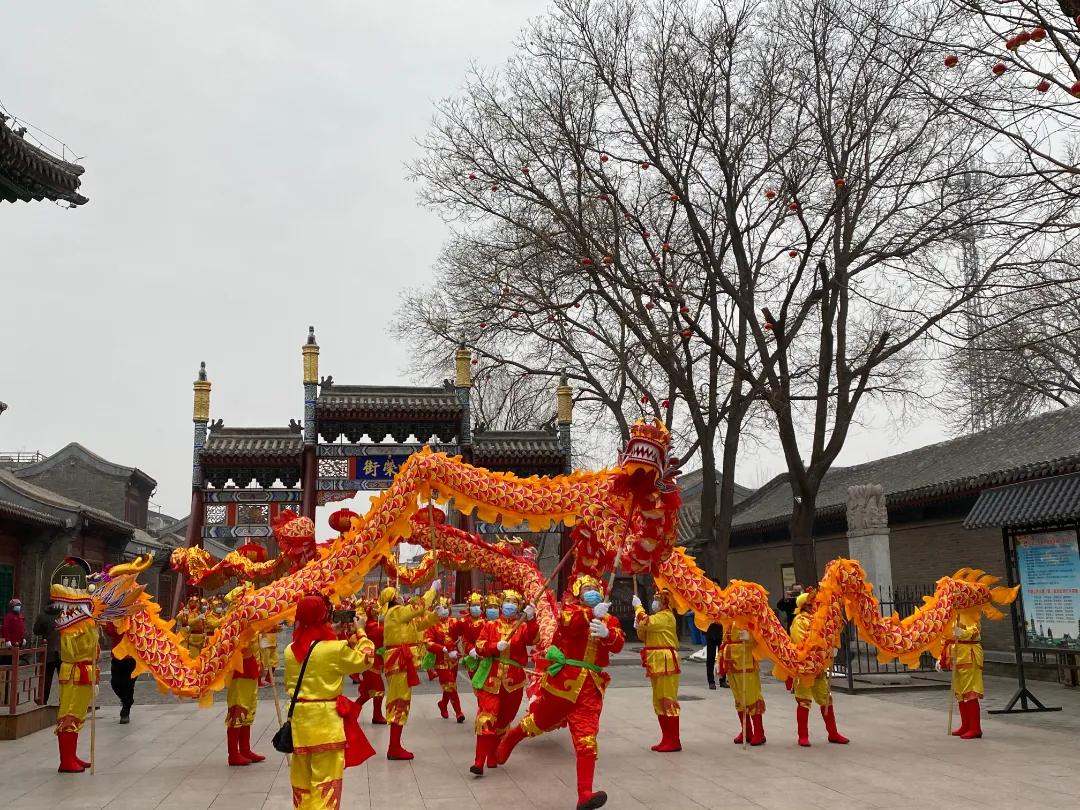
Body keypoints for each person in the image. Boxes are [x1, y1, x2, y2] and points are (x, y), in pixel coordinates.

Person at [497, 574, 625, 810]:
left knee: (587, 739)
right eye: (586, 588)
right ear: (578, 592)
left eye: (594, 588)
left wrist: (608, 634)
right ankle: (513, 736)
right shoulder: (571, 611)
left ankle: (585, 793)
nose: (591, 592)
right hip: (563, 683)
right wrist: (589, 614)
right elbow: (567, 624)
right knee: (540, 721)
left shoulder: (608, 618)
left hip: (591, 688)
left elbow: (618, 644)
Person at [286, 593, 376, 810]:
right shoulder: (334, 649)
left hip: (299, 724)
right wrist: (361, 632)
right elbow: (366, 659)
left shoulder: (291, 650)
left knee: (302, 785)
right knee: (325, 784)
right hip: (325, 724)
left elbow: (315, 649)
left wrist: (331, 635)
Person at [470, 589, 538, 775]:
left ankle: (492, 756)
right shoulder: (490, 626)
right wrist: (494, 647)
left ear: (518, 607)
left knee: (504, 720)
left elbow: (533, 639)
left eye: (514, 602)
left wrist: (531, 620)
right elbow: (480, 646)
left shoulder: (522, 626)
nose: (510, 605)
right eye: (507, 601)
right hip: (491, 679)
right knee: (486, 718)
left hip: (513, 682)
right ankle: (478, 762)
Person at [381, 580, 441, 760]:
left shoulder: (399, 616)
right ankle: (393, 747)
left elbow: (419, 625)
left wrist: (435, 616)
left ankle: (395, 745)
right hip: (399, 661)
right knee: (400, 701)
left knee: (402, 699)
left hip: (402, 661)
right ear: (393, 599)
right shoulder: (395, 612)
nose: (401, 597)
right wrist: (431, 591)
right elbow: (418, 607)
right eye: (398, 595)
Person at [788, 590, 848, 747]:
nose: (814, 606)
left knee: (826, 698)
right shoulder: (799, 621)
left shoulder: (820, 619)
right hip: (804, 667)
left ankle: (833, 733)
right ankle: (803, 736)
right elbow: (801, 640)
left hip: (819, 666)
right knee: (804, 701)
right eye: (811, 604)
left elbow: (829, 634)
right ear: (804, 606)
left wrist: (832, 645)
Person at [50, 583, 99, 773]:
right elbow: (76, 650)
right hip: (74, 673)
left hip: (84, 672)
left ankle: (72, 755)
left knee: (78, 714)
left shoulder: (84, 621)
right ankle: (66, 760)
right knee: (69, 714)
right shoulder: (71, 624)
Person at [632, 588, 681, 752]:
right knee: (658, 700)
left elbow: (646, 622)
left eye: (658, 599)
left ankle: (674, 740)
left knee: (667, 699)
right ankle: (666, 738)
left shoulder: (666, 617)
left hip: (666, 660)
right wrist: (638, 624)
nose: (655, 602)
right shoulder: (657, 618)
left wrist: (638, 608)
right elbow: (644, 633)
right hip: (656, 660)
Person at [223, 586, 265, 766]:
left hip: (251, 669)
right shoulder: (234, 623)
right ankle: (234, 753)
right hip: (239, 671)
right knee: (238, 710)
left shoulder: (249, 621)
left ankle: (245, 749)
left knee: (248, 710)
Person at [938, 609, 984, 740]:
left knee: (970, 690)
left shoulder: (971, 614)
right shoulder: (950, 616)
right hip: (956, 656)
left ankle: (975, 728)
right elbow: (945, 638)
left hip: (969, 655)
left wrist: (962, 633)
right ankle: (966, 725)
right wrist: (940, 657)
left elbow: (975, 633)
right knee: (959, 691)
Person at [719, 625, 765, 745]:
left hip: (746, 662)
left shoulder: (748, 616)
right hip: (731, 663)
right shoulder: (727, 618)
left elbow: (760, 637)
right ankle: (747, 730)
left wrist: (750, 637)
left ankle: (759, 732)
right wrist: (719, 660)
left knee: (751, 697)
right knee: (739, 699)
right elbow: (724, 642)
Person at [424, 596, 465, 723]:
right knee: (451, 685)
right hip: (440, 660)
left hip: (454, 659)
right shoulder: (431, 624)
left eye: (446, 607)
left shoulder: (453, 621)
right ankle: (459, 712)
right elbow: (427, 642)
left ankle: (443, 704)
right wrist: (441, 648)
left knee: (449, 685)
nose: (445, 610)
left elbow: (463, 628)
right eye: (442, 608)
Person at [355, 598, 386, 724]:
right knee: (379, 690)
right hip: (371, 661)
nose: (376, 610)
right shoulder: (372, 625)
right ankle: (376, 716)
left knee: (368, 693)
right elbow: (382, 633)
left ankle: (351, 712)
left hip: (375, 661)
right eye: (374, 608)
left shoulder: (376, 624)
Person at [102, 622, 136, 724]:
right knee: (115, 683)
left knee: (129, 684)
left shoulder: (136, 614)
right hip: (117, 656)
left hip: (132, 656)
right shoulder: (116, 614)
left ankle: (125, 711)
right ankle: (127, 700)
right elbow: (109, 631)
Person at [33, 603, 62, 704]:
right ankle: (63, 700)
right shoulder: (63, 615)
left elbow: (36, 631)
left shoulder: (42, 616)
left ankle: (43, 699)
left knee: (46, 678)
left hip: (48, 652)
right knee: (63, 679)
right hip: (62, 652)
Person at [705, 621, 727, 690]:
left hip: (722, 632)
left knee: (722, 657)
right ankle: (711, 681)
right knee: (710, 658)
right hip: (711, 632)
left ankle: (722, 679)